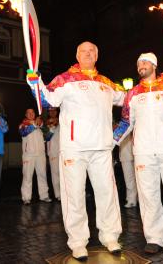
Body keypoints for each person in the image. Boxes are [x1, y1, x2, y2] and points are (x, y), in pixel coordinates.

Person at [26, 41, 125, 260]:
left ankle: (110, 236)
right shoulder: (65, 79)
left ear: (97, 55)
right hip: (75, 147)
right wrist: (36, 83)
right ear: (77, 55)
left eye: (92, 51)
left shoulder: (106, 82)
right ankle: (78, 241)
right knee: (74, 196)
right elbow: (47, 99)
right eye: (83, 51)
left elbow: (129, 101)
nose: (88, 54)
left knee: (107, 193)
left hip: (102, 147)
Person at [113, 52, 163, 255]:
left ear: (154, 65)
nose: (140, 65)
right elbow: (126, 122)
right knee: (149, 196)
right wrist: (111, 141)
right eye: (138, 62)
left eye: (144, 62)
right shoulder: (133, 94)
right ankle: (154, 238)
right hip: (143, 152)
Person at [19, 108, 52, 205]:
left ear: (34, 114)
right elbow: (23, 133)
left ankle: (44, 195)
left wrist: (41, 125)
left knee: (42, 175)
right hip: (28, 155)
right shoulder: (23, 125)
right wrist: (34, 124)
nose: (30, 114)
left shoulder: (40, 126)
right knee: (27, 176)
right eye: (28, 112)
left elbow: (48, 136)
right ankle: (26, 197)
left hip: (40, 155)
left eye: (32, 112)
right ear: (26, 114)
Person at [45, 107, 61, 201]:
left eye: (54, 110)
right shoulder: (46, 123)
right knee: (55, 174)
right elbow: (46, 137)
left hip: (63, 151)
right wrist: (53, 126)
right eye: (50, 111)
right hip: (53, 152)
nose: (52, 112)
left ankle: (65, 193)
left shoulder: (62, 121)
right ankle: (58, 195)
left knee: (64, 174)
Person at [118, 133, 137, 208]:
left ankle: (139, 198)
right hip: (125, 150)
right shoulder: (119, 122)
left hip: (139, 149)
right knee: (128, 178)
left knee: (141, 178)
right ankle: (131, 199)